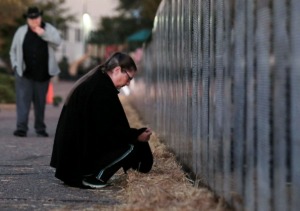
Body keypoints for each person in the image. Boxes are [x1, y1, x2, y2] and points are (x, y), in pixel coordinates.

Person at [50, 52, 153, 189]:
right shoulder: (101, 89)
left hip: (72, 161)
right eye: (128, 78)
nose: (128, 84)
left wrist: (134, 134)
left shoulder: (97, 81)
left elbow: (106, 127)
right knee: (129, 147)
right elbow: (109, 132)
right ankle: (96, 177)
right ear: (117, 70)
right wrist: (136, 136)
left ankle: (92, 173)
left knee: (128, 142)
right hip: (77, 165)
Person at [9, 6, 61, 137]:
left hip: (43, 74)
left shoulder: (49, 29)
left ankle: (40, 128)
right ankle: (21, 128)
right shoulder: (21, 31)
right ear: (27, 19)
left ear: (40, 17)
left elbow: (58, 42)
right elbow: (13, 50)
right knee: (22, 101)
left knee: (40, 103)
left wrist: (43, 33)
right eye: (31, 18)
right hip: (24, 73)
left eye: (36, 17)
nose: (34, 20)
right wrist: (15, 65)